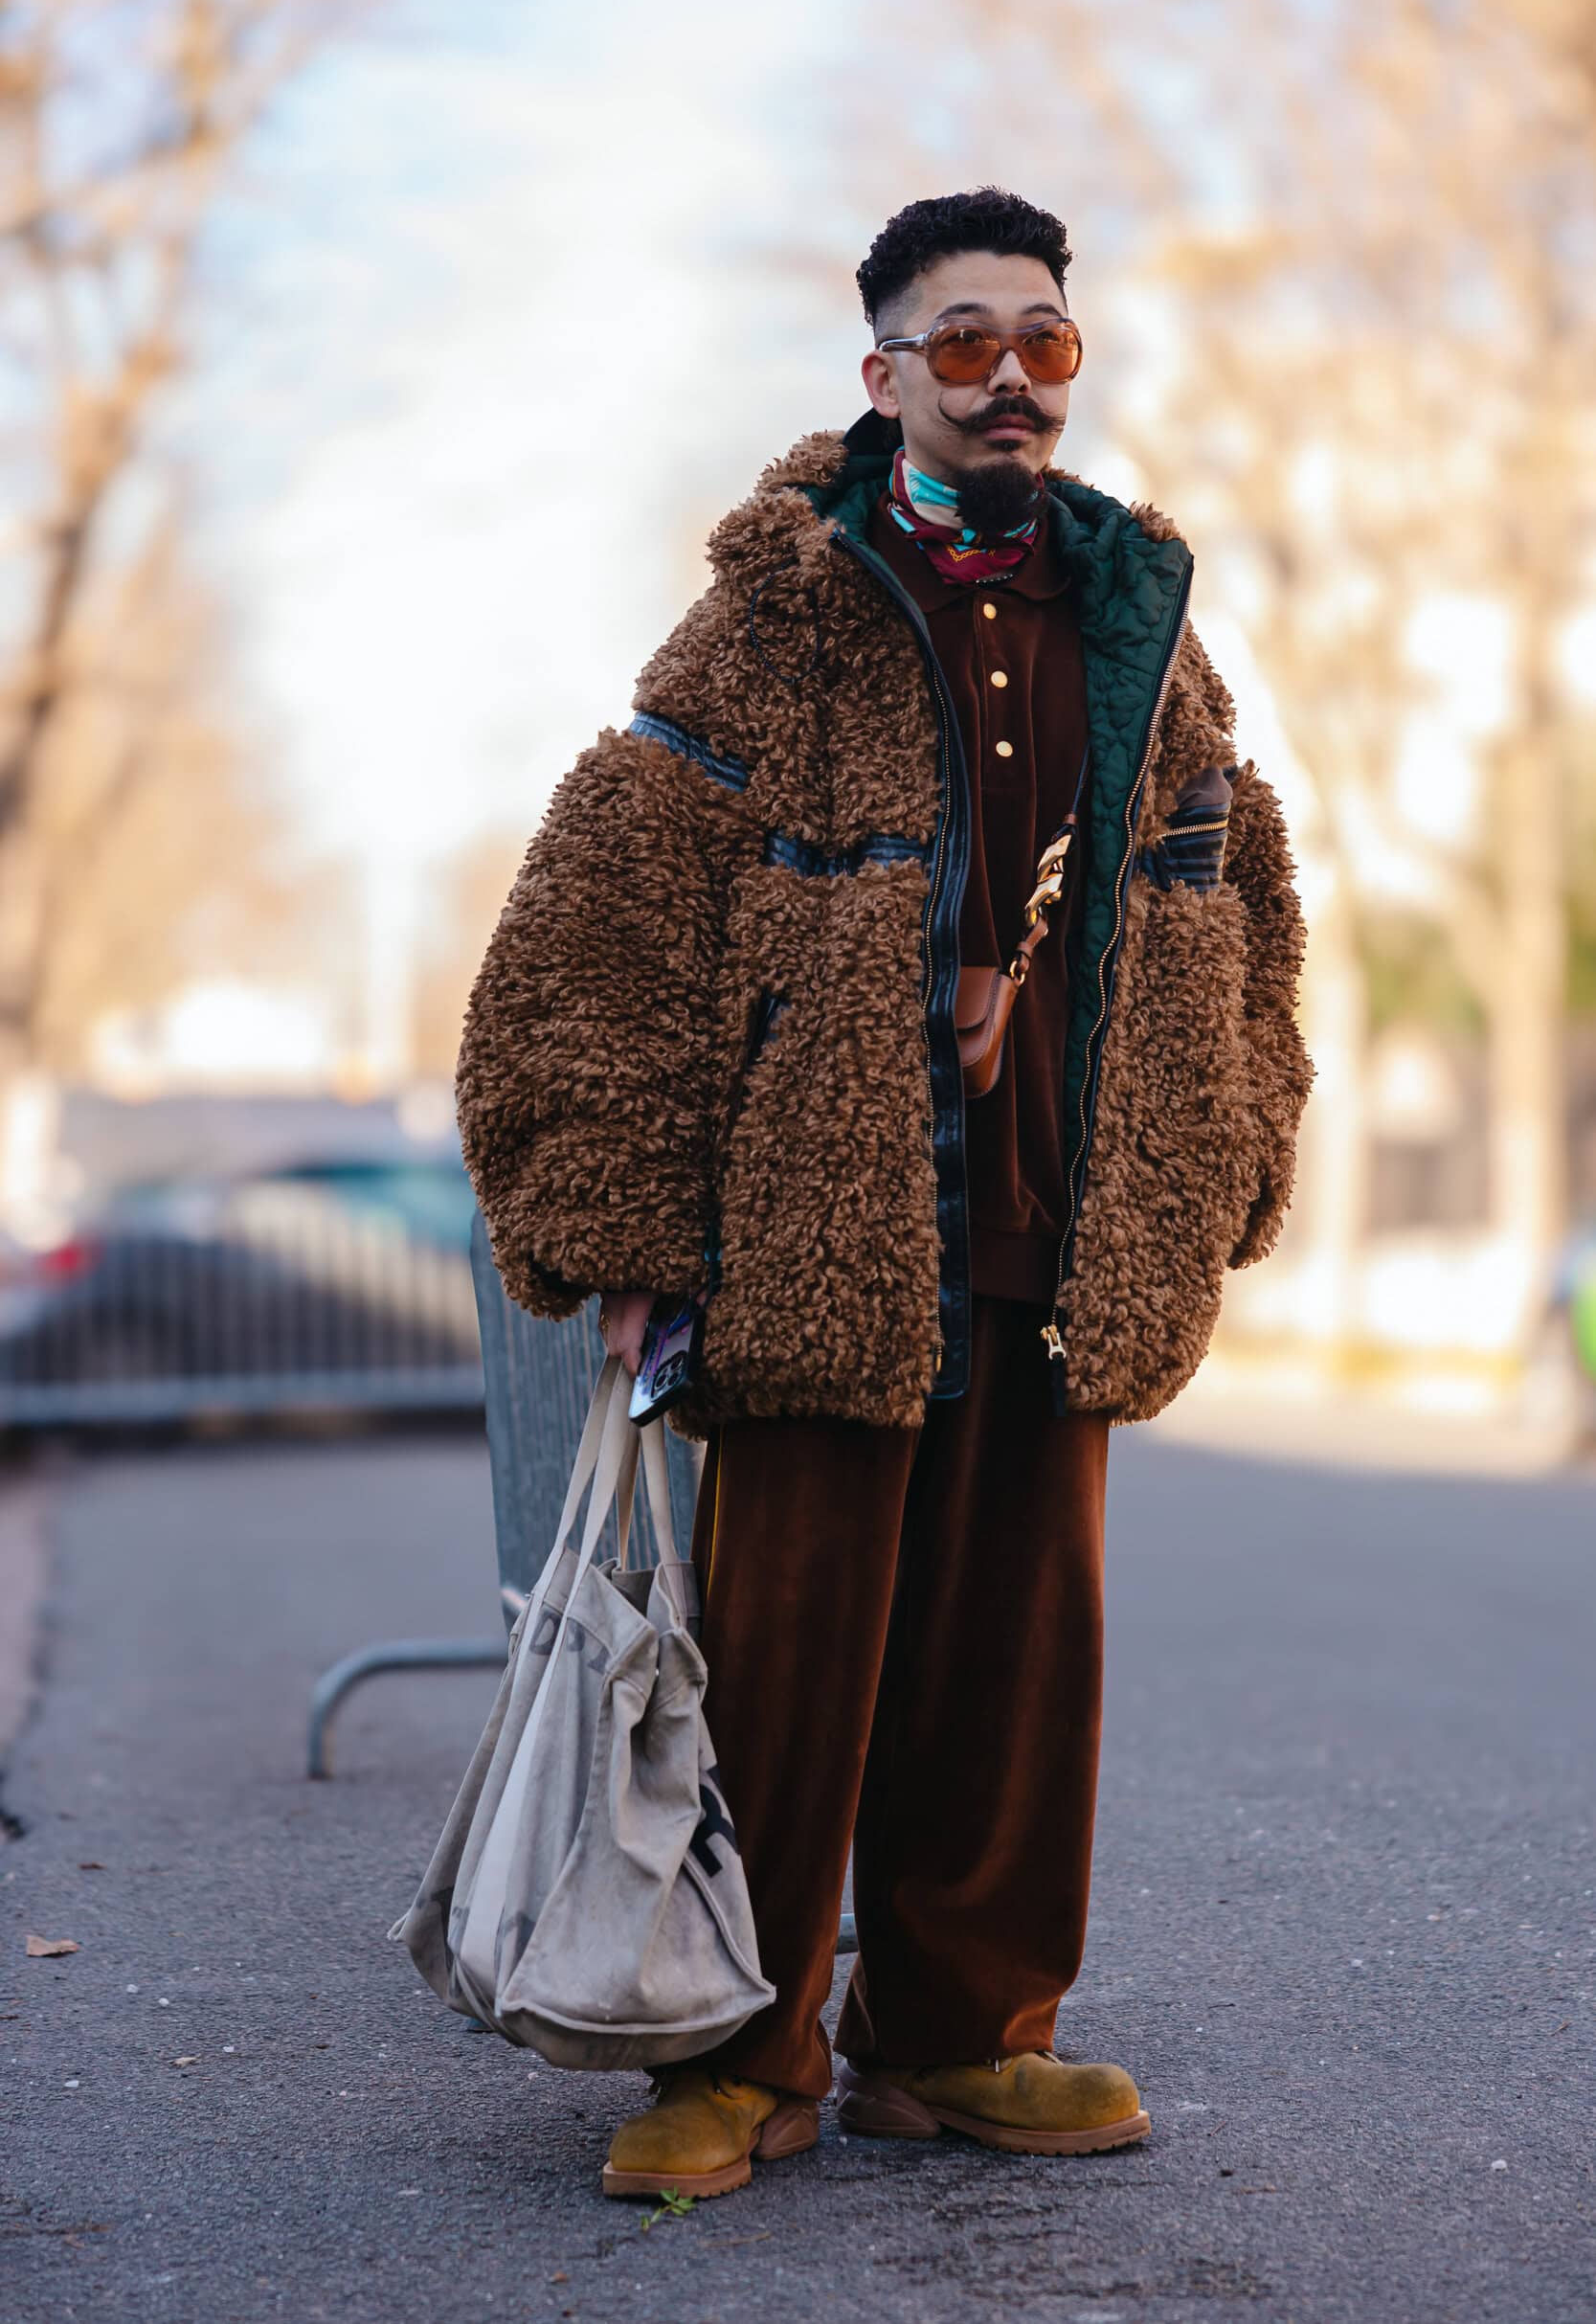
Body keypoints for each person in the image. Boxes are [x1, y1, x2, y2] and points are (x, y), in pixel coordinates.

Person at [456, 187, 1312, 2200]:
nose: (1011, 378)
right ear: (884, 375)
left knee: (1018, 1661)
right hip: (822, 1223)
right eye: (963, 342)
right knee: (782, 1673)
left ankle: (959, 2035)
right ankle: (733, 2053)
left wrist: (1233, 1141)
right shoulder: (781, 607)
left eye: (1045, 341)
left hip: (1064, 1217)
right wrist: (621, 1222)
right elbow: (605, 904)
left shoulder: (1142, 617)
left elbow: (1243, 893)